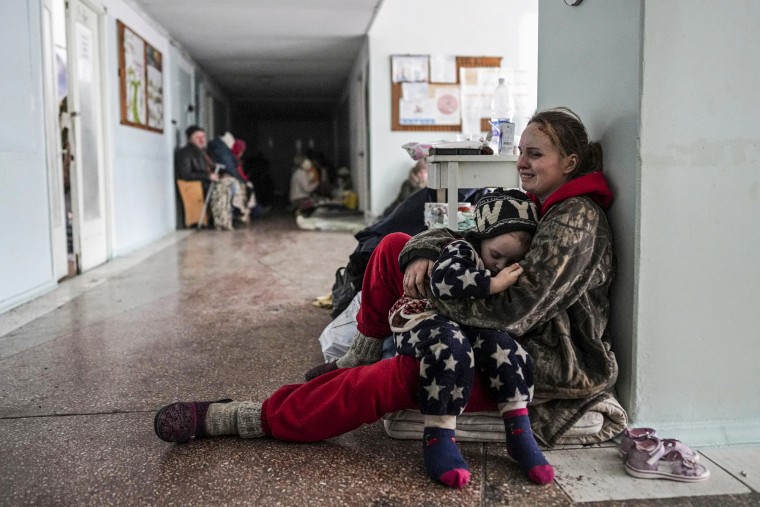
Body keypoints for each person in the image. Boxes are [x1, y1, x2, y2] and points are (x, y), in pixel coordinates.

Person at [154, 107, 620, 488]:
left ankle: (246, 418)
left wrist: (432, 298)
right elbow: (463, 230)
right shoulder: (539, 202)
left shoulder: (575, 220)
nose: (521, 162)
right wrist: (423, 252)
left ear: (570, 163)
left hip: (538, 357)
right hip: (490, 323)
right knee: (395, 246)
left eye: (534, 155)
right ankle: (358, 352)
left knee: (385, 380)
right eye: (520, 152)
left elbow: (517, 313)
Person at [387, 188, 552, 488]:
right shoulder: (462, 249)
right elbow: (444, 280)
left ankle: (519, 433)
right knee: (451, 346)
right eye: (495, 255)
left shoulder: (503, 262)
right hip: (423, 317)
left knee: (504, 346)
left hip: (465, 322)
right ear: (481, 240)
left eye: (510, 260)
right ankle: (439, 435)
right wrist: (491, 283)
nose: (500, 265)